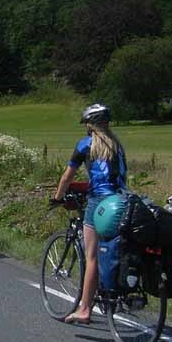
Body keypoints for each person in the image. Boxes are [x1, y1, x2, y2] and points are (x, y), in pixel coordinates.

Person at [51, 103, 127, 323]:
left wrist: (57, 198)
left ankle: (84, 309)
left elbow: (67, 177)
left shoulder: (86, 144)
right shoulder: (117, 145)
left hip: (99, 203)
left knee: (91, 255)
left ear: (90, 125)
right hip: (122, 201)